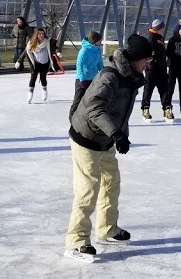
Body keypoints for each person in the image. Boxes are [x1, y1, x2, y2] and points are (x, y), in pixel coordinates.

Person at [64, 33, 152, 262]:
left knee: (112, 183)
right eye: (146, 59)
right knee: (87, 190)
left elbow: (120, 112)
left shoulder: (131, 76)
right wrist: (116, 133)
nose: (148, 64)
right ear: (134, 58)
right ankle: (76, 241)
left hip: (105, 140)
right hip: (86, 138)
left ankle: (107, 228)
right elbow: (94, 108)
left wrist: (121, 135)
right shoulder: (109, 77)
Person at [70, 31, 104, 118]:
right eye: (99, 40)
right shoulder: (84, 51)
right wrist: (82, 79)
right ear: (94, 41)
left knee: (91, 100)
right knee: (78, 100)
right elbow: (79, 65)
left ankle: (86, 118)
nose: (101, 42)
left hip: (92, 79)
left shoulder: (97, 50)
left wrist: (103, 72)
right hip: (82, 79)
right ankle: (72, 117)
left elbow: (99, 63)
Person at [140, 20, 168, 122]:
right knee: (148, 90)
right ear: (159, 28)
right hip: (152, 69)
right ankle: (145, 109)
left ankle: (167, 109)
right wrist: (153, 61)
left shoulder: (160, 37)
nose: (164, 29)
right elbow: (148, 54)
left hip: (162, 68)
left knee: (164, 89)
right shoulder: (151, 38)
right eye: (163, 27)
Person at [26, 28, 52, 103]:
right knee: (33, 78)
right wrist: (19, 61)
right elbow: (26, 52)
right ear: (36, 35)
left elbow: (54, 48)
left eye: (42, 34)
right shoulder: (32, 42)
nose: (41, 35)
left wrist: (58, 52)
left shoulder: (47, 42)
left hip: (44, 63)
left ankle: (44, 89)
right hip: (36, 63)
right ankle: (30, 93)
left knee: (43, 78)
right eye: (39, 34)